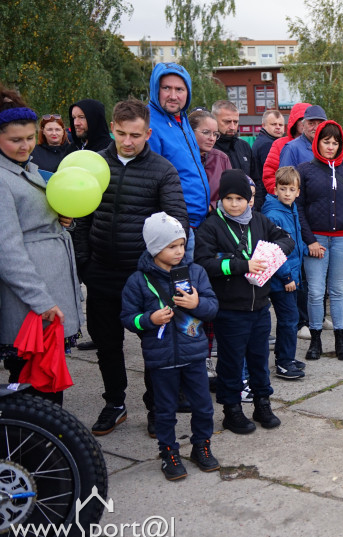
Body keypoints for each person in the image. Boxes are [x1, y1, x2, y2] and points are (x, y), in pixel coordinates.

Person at [78, 98, 190, 436]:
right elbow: (80, 217)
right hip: (101, 273)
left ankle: (157, 407)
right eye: (122, 133)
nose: (128, 141)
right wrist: (85, 263)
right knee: (107, 344)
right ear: (112, 128)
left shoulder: (162, 170)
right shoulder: (93, 165)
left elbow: (176, 223)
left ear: (148, 133)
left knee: (154, 346)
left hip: (145, 279)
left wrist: (156, 270)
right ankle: (115, 403)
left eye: (136, 135)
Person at [120, 212, 219, 480]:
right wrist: (149, 319)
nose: (179, 251)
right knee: (164, 411)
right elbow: (128, 319)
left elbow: (213, 308)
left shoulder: (195, 273)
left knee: (203, 406)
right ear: (154, 248)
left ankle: (201, 446)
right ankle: (169, 452)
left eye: (182, 245)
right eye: (171, 246)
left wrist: (197, 304)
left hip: (194, 354)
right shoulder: (138, 281)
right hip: (161, 360)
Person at [194, 170, 295, 434]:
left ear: (250, 199)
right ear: (220, 199)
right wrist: (242, 265)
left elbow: (286, 240)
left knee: (260, 359)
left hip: (260, 307)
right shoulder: (211, 226)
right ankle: (232, 410)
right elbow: (204, 263)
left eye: (241, 198)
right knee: (231, 362)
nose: (235, 204)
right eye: (229, 198)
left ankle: (262, 403)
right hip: (230, 310)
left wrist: (274, 254)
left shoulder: (260, 221)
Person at [0, 86, 83, 405]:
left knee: (46, 381)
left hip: (50, 291)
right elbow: (8, 251)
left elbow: (42, 217)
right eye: (15, 140)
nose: (25, 146)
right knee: (30, 382)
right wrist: (41, 301)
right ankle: (32, 447)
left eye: (29, 138)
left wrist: (64, 219)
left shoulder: (27, 169)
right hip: (32, 304)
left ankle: (44, 444)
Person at [295, 121, 343, 361]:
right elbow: (297, 208)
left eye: (335, 142)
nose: (330, 146)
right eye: (326, 142)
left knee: (337, 290)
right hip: (316, 240)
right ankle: (315, 340)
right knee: (316, 292)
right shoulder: (305, 169)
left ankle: (340, 340)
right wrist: (309, 240)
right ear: (317, 142)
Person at [146, 64, 212, 261]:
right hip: (174, 229)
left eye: (179, 89)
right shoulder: (149, 124)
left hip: (195, 222)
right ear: (155, 89)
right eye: (166, 88)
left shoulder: (181, 120)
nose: (173, 95)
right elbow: (149, 180)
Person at [261, 166, 307, 379]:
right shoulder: (273, 214)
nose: (287, 193)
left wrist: (308, 248)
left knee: (290, 318)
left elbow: (294, 242)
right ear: (275, 189)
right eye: (283, 188)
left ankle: (285, 355)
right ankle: (284, 362)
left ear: (298, 191)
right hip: (282, 279)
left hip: (291, 274)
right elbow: (274, 251)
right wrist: (287, 276)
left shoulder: (291, 208)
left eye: (291, 189)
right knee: (289, 319)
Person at [212, 100, 260, 205]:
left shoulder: (244, 146)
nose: (232, 127)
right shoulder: (207, 149)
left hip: (247, 212)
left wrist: (255, 208)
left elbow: (256, 181)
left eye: (236, 122)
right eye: (227, 122)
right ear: (214, 120)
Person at [262, 102, 310, 196]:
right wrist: (280, 194)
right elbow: (269, 174)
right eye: (301, 119)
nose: (304, 123)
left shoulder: (319, 145)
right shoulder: (280, 144)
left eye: (308, 120)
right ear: (294, 121)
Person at [188, 110, 231, 211]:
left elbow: (231, 193)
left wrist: (212, 207)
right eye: (206, 132)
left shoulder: (222, 158)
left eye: (215, 134)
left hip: (216, 220)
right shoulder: (178, 158)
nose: (212, 138)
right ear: (189, 131)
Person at [253, 109, 285, 208]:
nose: (278, 127)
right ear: (263, 125)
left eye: (281, 125)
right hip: (267, 197)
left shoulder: (262, 140)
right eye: (273, 124)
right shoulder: (268, 144)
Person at [280, 105, 327, 170]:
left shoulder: (330, 147)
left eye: (320, 123)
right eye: (311, 123)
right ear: (303, 125)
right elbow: (285, 178)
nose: (316, 128)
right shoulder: (291, 148)